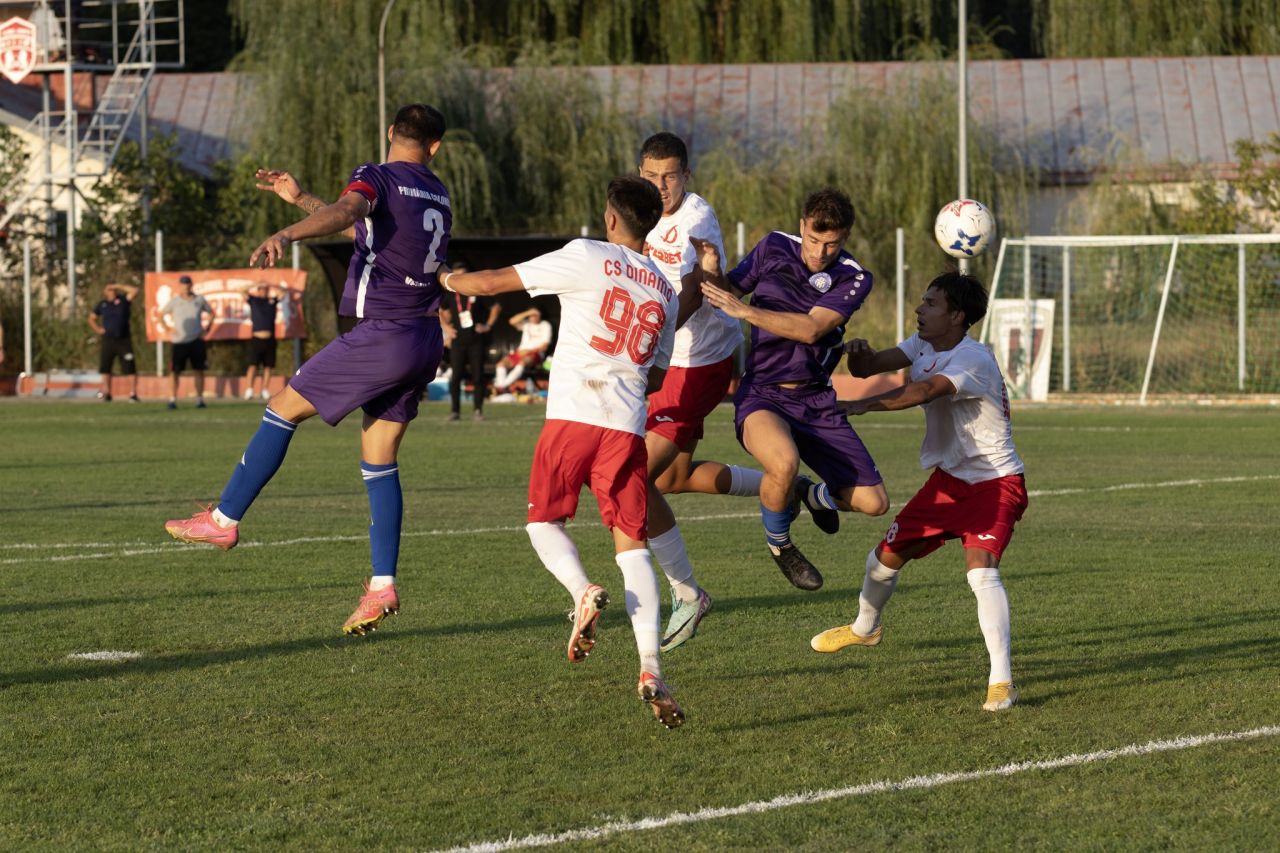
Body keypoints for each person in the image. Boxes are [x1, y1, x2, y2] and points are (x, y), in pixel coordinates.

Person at [164, 103, 451, 636]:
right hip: (423, 338)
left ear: (391, 133)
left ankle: (223, 520)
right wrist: (300, 198)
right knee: (379, 458)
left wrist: (288, 231)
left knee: (281, 410)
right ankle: (382, 585)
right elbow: (364, 230)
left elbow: (347, 212)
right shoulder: (437, 193)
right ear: (436, 146)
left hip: (384, 331)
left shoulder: (377, 175)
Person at [442, 175, 685, 728]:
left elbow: (492, 283)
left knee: (543, 523)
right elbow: (658, 375)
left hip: (573, 417)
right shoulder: (666, 290)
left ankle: (581, 590)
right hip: (625, 427)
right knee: (633, 547)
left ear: (610, 219)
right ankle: (650, 666)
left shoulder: (587, 255)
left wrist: (445, 276)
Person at [634, 132, 838, 653]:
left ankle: (686, 593)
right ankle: (789, 488)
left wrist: (652, 341)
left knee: (632, 480)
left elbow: (694, 290)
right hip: (669, 360)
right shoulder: (641, 210)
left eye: (671, 176)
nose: (661, 186)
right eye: (651, 176)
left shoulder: (696, 219)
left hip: (694, 363)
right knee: (673, 478)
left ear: (687, 176)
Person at [811, 271, 1028, 712]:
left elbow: (924, 390)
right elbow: (869, 368)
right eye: (922, 301)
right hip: (948, 482)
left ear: (957, 316)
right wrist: (860, 353)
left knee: (980, 572)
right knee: (881, 561)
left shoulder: (974, 359)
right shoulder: (923, 344)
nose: (919, 309)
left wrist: (862, 404)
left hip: (994, 483)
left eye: (931, 303)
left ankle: (1002, 682)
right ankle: (864, 629)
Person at [699, 188, 890, 591]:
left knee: (875, 504)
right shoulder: (773, 246)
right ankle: (781, 545)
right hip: (763, 393)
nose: (821, 252)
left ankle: (812, 493)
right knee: (783, 462)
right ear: (802, 225)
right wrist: (713, 270)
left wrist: (746, 311)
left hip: (817, 400)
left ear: (846, 237)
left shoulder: (854, 277)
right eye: (814, 239)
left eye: (832, 243)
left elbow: (812, 329)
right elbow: (727, 295)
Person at [439, 262, 500, 420]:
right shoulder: (451, 294)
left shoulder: (476, 291)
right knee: (456, 376)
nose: (460, 278)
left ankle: (478, 410)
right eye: (457, 275)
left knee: (478, 376)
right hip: (458, 340)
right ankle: (455, 411)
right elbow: (440, 311)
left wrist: (487, 325)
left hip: (476, 340)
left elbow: (496, 307)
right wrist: (446, 327)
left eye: (463, 274)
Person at [159, 275, 214, 409]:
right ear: (180, 286)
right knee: (174, 372)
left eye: (187, 284)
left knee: (199, 370)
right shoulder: (175, 301)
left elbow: (211, 313)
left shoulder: (199, 300)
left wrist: (207, 328)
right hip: (179, 342)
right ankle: (172, 400)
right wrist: (168, 328)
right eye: (183, 284)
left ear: (191, 285)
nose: (185, 286)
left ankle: (200, 400)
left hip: (196, 340)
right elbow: (161, 314)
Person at [88, 282, 140, 402]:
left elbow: (135, 291)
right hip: (108, 340)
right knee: (106, 367)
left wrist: (118, 285)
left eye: (113, 289)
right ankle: (107, 393)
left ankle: (133, 394)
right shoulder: (102, 304)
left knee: (130, 367)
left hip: (123, 339)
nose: (112, 291)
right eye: (109, 289)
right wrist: (98, 329)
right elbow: (91, 318)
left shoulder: (123, 300)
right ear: (105, 292)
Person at [493, 307, 551, 395]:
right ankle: (503, 387)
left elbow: (545, 346)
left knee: (522, 362)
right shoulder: (526, 324)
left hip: (535, 353)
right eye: (531, 315)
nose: (533, 317)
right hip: (520, 352)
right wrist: (528, 312)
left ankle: (501, 387)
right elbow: (512, 321)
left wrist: (527, 351)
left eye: (535, 315)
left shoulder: (545, 325)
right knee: (500, 364)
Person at [241, 282, 283, 401]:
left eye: (266, 290)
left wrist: (271, 285)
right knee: (252, 365)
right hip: (256, 339)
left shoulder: (272, 301)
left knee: (268, 366)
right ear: (258, 291)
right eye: (262, 289)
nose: (264, 291)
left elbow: (283, 293)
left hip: (270, 339)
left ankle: (264, 389)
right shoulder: (253, 300)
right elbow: (241, 291)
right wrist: (254, 285)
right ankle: (249, 390)